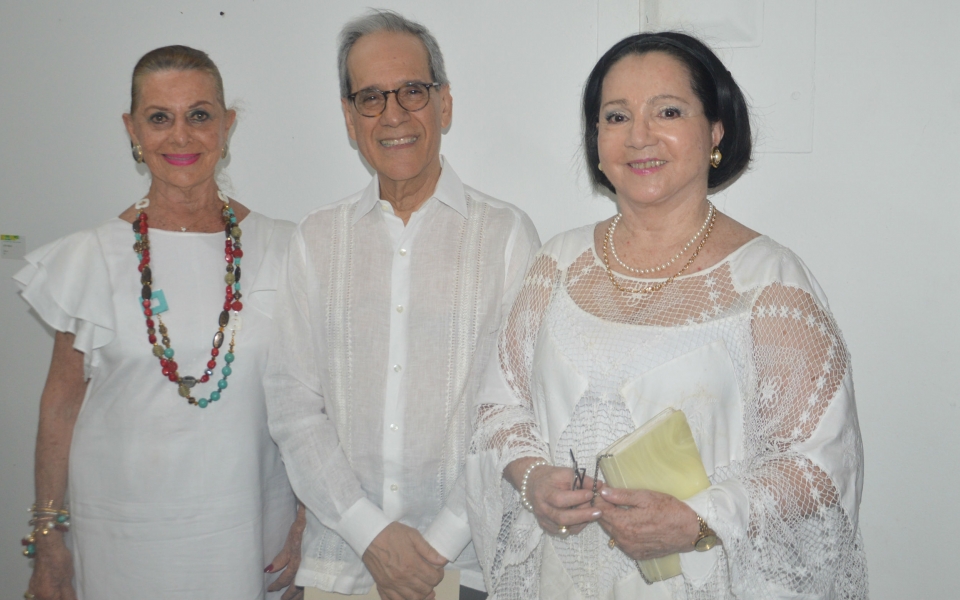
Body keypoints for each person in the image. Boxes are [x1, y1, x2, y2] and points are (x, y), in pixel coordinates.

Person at [467, 32, 867, 599]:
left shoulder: (768, 280)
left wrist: (701, 520)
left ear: (716, 132)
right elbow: (497, 409)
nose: (639, 137)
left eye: (668, 112)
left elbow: (820, 467)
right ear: (597, 142)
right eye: (616, 116)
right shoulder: (556, 263)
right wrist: (532, 479)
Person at [264, 10, 539, 600]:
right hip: (340, 563)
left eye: (412, 91)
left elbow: (515, 410)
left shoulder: (507, 236)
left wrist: (434, 548)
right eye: (370, 97)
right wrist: (371, 534)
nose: (393, 114)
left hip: (466, 567)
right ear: (348, 117)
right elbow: (292, 406)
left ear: (444, 104)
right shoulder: (316, 239)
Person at [15, 45, 302, 600]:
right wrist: (47, 540)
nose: (181, 137)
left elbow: (314, 400)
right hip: (124, 543)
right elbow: (61, 404)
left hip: (252, 531)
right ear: (132, 129)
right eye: (159, 118)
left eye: (199, 115)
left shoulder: (288, 248)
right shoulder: (88, 258)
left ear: (227, 124)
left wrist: (308, 518)